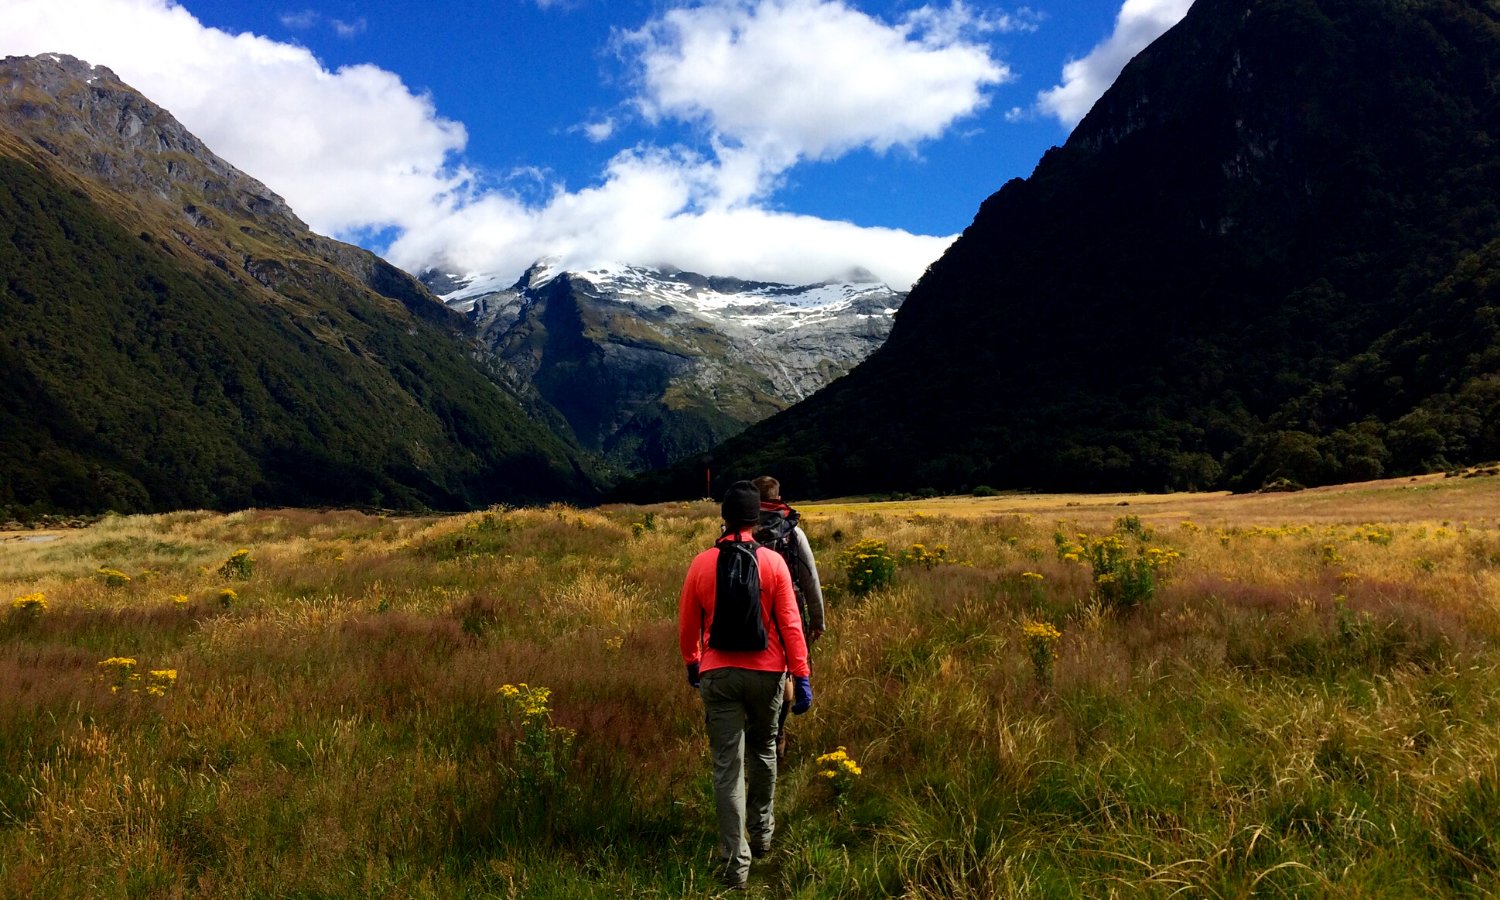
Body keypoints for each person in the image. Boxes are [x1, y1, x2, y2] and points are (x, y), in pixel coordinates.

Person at [679, 480, 813, 890]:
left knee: (727, 768)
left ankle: (736, 864)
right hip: (768, 674)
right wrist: (802, 675)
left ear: (724, 518)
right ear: (757, 519)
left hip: (718, 674)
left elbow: (688, 624)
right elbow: (791, 625)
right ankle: (763, 833)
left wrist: (693, 664)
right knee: (764, 751)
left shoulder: (701, 563)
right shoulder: (774, 563)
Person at [751, 475, 825, 762]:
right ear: (779, 496)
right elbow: (810, 578)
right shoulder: (794, 532)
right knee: (785, 671)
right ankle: (778, 732)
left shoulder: (742, 528)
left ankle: (754, 724)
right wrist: (818, 621)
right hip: (788, 611)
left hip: (749, 612)